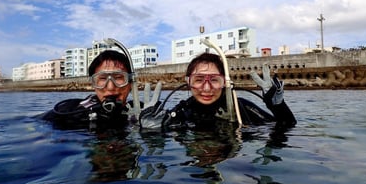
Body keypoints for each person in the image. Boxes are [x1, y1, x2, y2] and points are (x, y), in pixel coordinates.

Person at [140, 52, 296, 131]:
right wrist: (148, 131)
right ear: (188, 83)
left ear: (225, 83)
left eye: (214, 80)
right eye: (199, 80)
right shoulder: (181, 113)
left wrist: (278, 106)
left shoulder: (240, 108)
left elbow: (286, 128)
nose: (206, 88)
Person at [39, 50, 160, 130]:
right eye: (102, 79)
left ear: (130, 84)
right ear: (93, 84)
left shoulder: (145, 112)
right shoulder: (70, 111)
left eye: (118, 78)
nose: (111, 87)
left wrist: (157, 129)